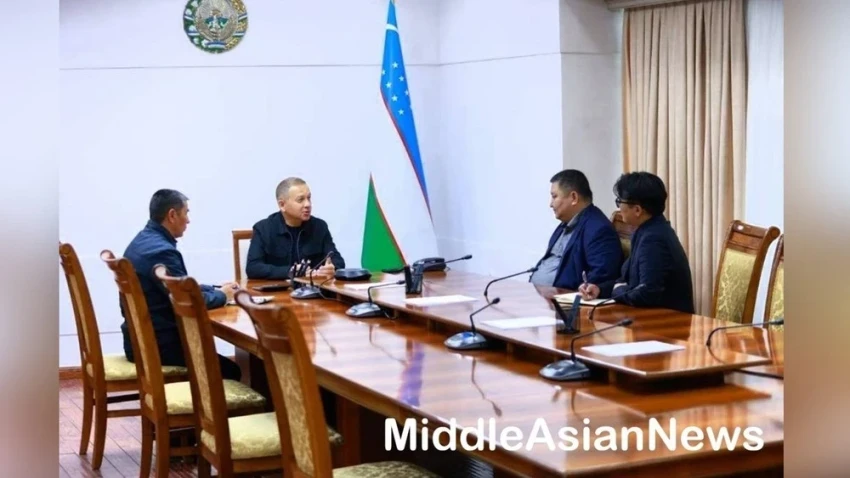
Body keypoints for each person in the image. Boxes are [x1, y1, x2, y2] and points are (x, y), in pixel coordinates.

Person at [120, 189, 242, 381]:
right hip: (160, 345)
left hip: (140, 340)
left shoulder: (144, 241)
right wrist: (223, 296)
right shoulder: (162, 251)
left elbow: (178, 287)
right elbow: (188, 301)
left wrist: (215, 289)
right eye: (186, 213)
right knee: (232, 371)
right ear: (172, 215)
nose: (188, 220)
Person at [579, 172, 695, 314]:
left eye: (620, 201)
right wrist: (599, 289)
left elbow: (646, 293)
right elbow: (627, 281)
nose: (618, 207)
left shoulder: (654, 238)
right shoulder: (645, 230)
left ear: (637, 210)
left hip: (669, 321)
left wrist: (617, 290)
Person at [530, 169, 623, 290]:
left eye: (554, 197)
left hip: (562, 298)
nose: (551, 204)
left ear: (574, 197)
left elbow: (600, 278)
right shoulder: (565, 223)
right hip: (538, 294)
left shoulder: (599, 229)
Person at [246, 177, 345, 279]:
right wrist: (290, 271)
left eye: (309, 198)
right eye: (300, 200)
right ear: (282, 205)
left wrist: (332, 268)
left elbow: (338, 260)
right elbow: (253, 268)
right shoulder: (263, 229)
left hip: (312, 287)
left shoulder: (319, 226)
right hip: (280, 288)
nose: (307, 204)